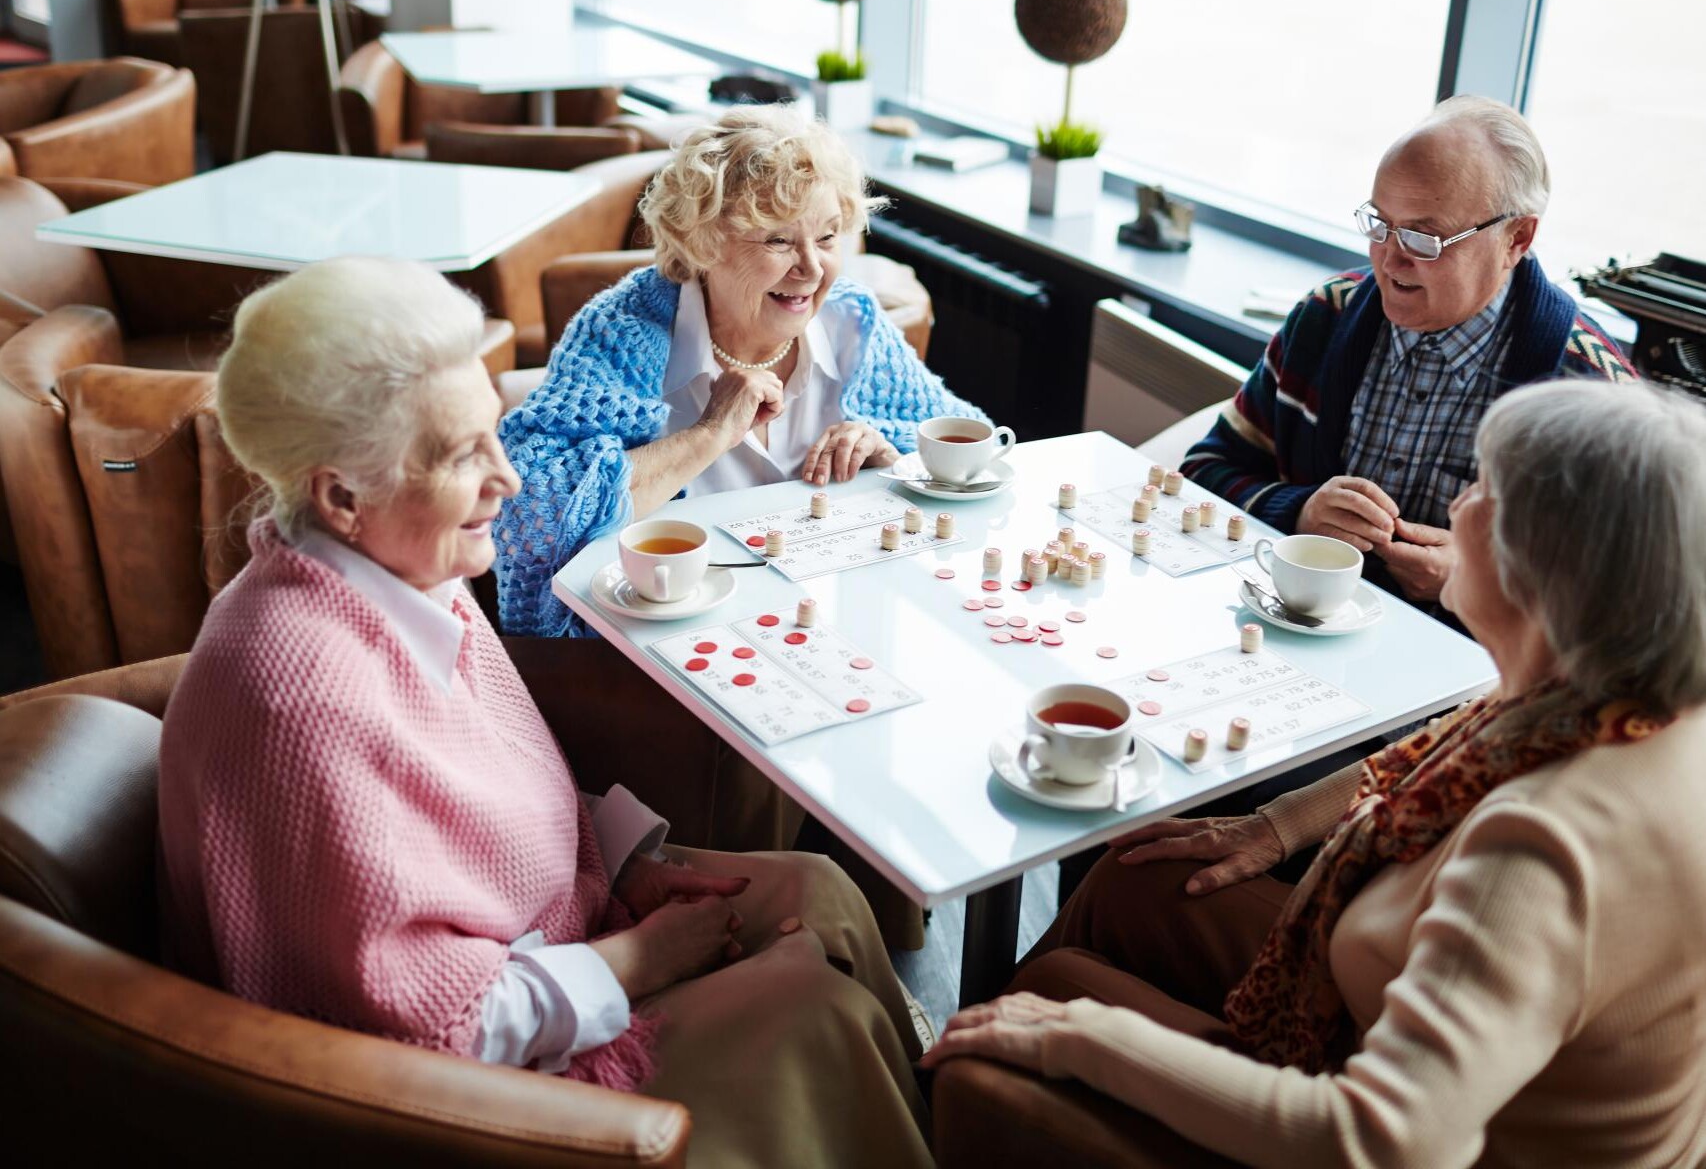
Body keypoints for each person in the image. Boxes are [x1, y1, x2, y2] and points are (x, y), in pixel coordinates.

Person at [157, 258, 932, 1169]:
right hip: (449, 1091)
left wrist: (625, 873)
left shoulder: (401, 572)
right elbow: (426, 1029)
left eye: (496, 436)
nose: (512, 481)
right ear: (340, 495)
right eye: (461, 456)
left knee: (822, 890)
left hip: (542, 938)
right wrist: (644, 959)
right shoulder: (298, 692)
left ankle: (921, 1111)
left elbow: (496, 804)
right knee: (814, 1005)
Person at [926, 379, 1706, 1168]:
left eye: (1481, 489)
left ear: (1542, 567)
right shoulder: (1607, 700)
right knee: (1138, 874)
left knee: (1009, 1043)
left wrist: (1085, 1038)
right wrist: (1276, 826)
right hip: (1395, 1030)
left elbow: (1381, 1141)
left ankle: (953, 1091)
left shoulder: (1545, 846)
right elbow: (1437, 747)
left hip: (1412, 1134)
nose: (1458, 504)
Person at [494, 103, 986, 639]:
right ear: (702, 243)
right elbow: (525, 518)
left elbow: (969, 466)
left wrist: (892, 464)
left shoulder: (853, 323)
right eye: (778, 240)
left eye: (827, 237)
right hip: (672, 647)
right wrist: (710, 434)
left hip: (832, 625)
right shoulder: (619, 333)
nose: (812, 268)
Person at [1182, 96, 1633, 607]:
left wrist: (1483, 585)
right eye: (1379, 223)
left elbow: (1632, 610)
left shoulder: (1594, 394)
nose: (1390, 258)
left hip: (1476, 678)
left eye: (1425, 237)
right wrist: (1299, 513)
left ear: (1517, 238)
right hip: (1293, 638)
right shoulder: (1326, 316)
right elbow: (1204, 468)